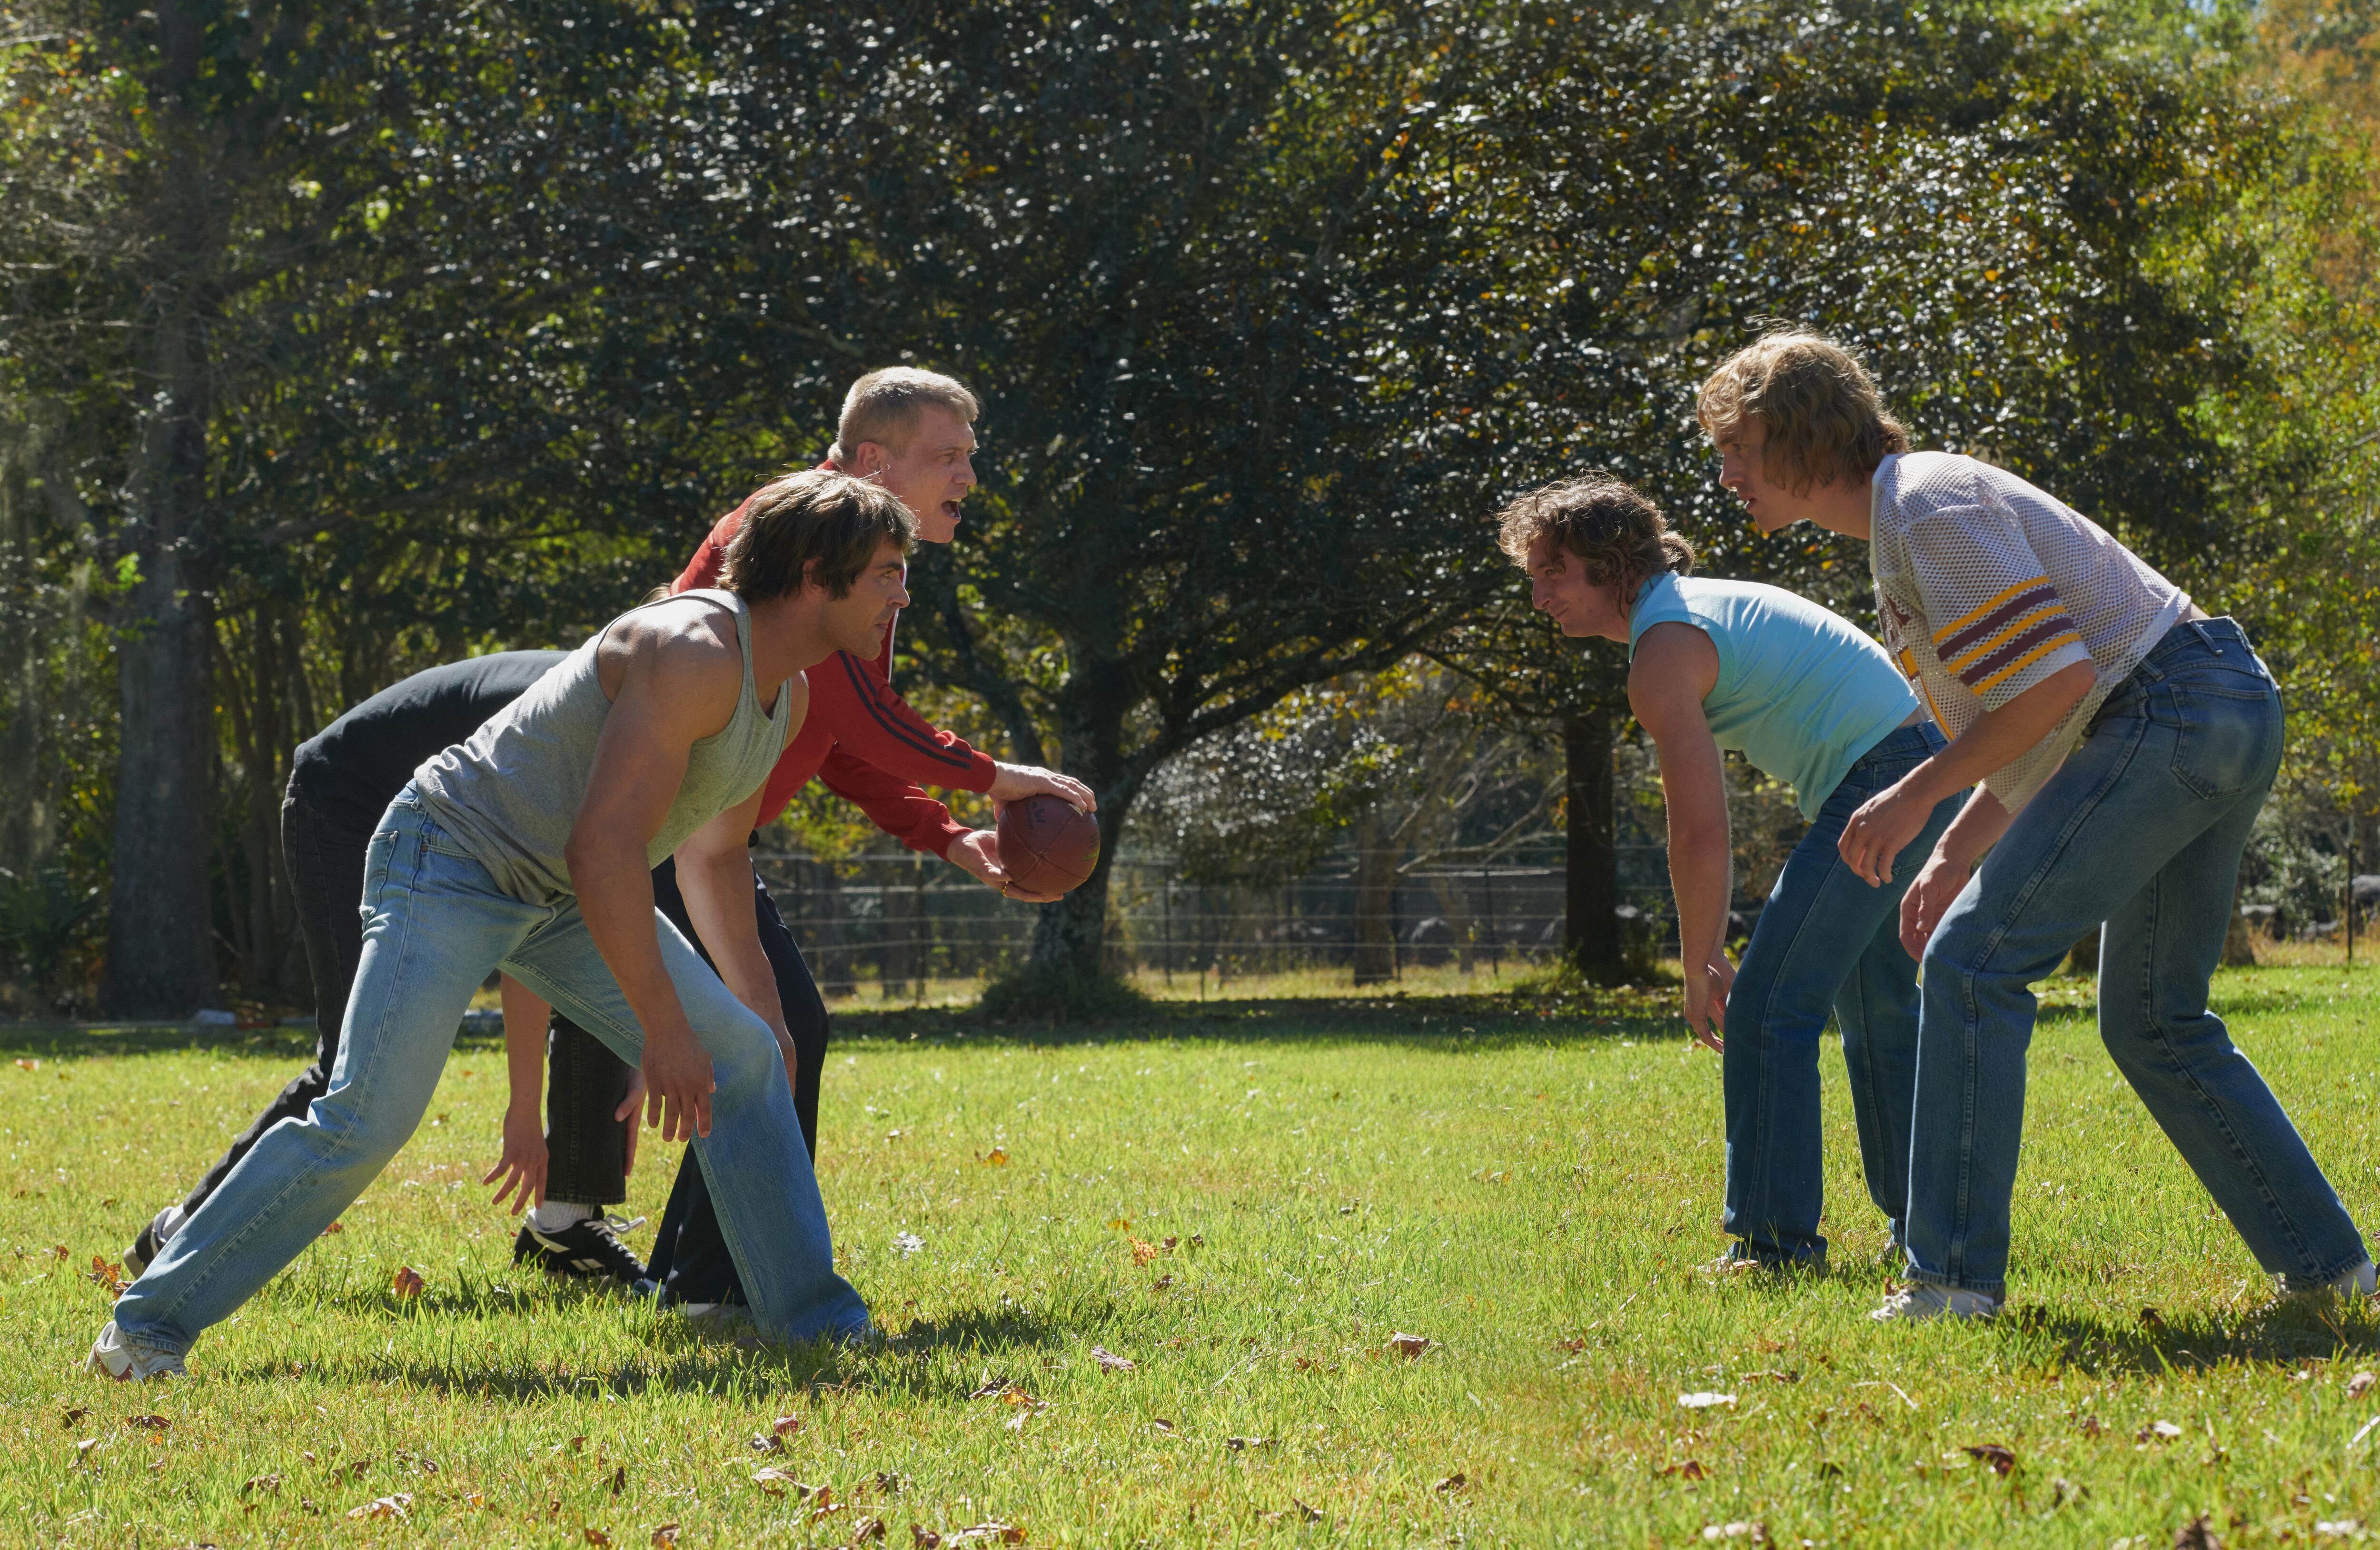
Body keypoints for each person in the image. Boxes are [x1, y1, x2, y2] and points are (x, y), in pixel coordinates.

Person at [87, 470, 900, 1380]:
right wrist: (664, 1030)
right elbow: (605, 847)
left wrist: (762, 1017)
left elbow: (712, 858)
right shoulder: (695, 650)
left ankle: (815, 1324)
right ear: (817, 573)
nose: (902, 595)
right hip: (449, 860)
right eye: (885, 572)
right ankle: (147, 1326)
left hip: (552, 895)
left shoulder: (780, 694)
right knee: (367, 1114)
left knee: (748, 1062)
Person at [1698, 331, 2375, 1321]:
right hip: (2209, 709)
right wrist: (1952, 858)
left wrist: (1914, 797)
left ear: (1800, 439)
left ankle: (1952, 1280)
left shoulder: (1922, 502)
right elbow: (2039, 724)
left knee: (1974, 964)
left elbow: (2057, 686)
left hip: (2167, 713)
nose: (1724, 474)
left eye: (1736, 447)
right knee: (2153, 1020)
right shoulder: (1904, 523)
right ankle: (2335, 1275)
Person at [634, 366, 1094, 1312]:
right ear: (875, 458)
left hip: (702, 840)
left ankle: (692, 1275)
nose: (968, 476)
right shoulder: (799, 533)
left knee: (773, 1033)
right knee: (777, 1033)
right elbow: (861, 712)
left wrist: (949, 833)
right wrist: (993, 777)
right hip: (643, 835)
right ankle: (712, 1286)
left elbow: (840, 737)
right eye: (948, 456)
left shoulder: (867, 551)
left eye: (971, 456)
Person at [1499, 476, 1966, 1271]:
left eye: (1555, 571)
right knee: (1876, 1006)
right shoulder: (1687, 611)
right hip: (1925, 764)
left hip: (1889, 776)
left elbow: (1702, 831)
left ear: (1612, 566)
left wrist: (1700, 956)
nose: (1540, 594)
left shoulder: (1663, 648)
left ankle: (1774, 1244)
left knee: (1768, 1003)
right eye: (1534, 575)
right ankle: (1928, 1231)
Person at [120, 652, 656, 1289]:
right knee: (357, 1062)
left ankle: (566, 1222)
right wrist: (522, 1110)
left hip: (433, 816)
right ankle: (182, 1235)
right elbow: (530, 927)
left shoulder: (644, 717)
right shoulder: (593, 726)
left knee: (595, 954)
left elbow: (575, 928)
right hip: (345, 804)